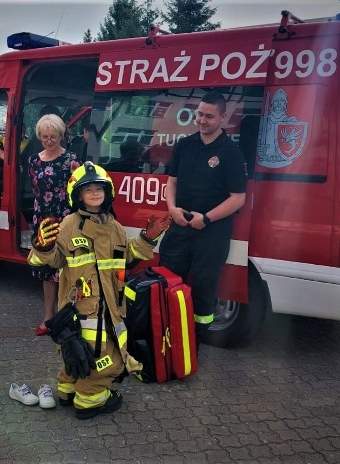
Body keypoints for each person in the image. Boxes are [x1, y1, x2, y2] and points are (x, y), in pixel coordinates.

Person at [28, 162, 171, 419]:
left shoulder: (113, 225)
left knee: (78, 354)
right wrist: (42, 247)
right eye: (88, 189)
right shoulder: (69, 225)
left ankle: (68, 390)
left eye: (99, 188)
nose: (94, 193)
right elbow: (47, 261)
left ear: (108, 192)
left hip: (110, 307)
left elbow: (127, 256)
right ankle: (90, 400)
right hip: (84, 311)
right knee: (103, 359)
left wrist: (148, 238)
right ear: (77, 195)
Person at [158, 91, 247, 349]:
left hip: (211, 233)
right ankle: (165, 334)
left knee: (203, 288)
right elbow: (171, 182)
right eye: (199, 114)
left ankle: (194, 342)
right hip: (179, 226)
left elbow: (238, 198)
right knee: (167, 279)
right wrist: (172, 209)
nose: (202, 120)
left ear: (223, 117)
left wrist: (206, 219)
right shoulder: (184, 146)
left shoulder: (231, 153)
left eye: (209, 116)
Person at [28, 113, 81, 336]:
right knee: (47, 271)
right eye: (45, 137)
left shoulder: (71, 160)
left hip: (66, 219)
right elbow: (35, 190)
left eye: (53, 137)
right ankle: (48, 316)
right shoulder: (33, 160)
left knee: (68, 269)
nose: (49, 141)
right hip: (43, 219)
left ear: (61, 136)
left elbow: (78, 191)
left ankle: (66, 316)